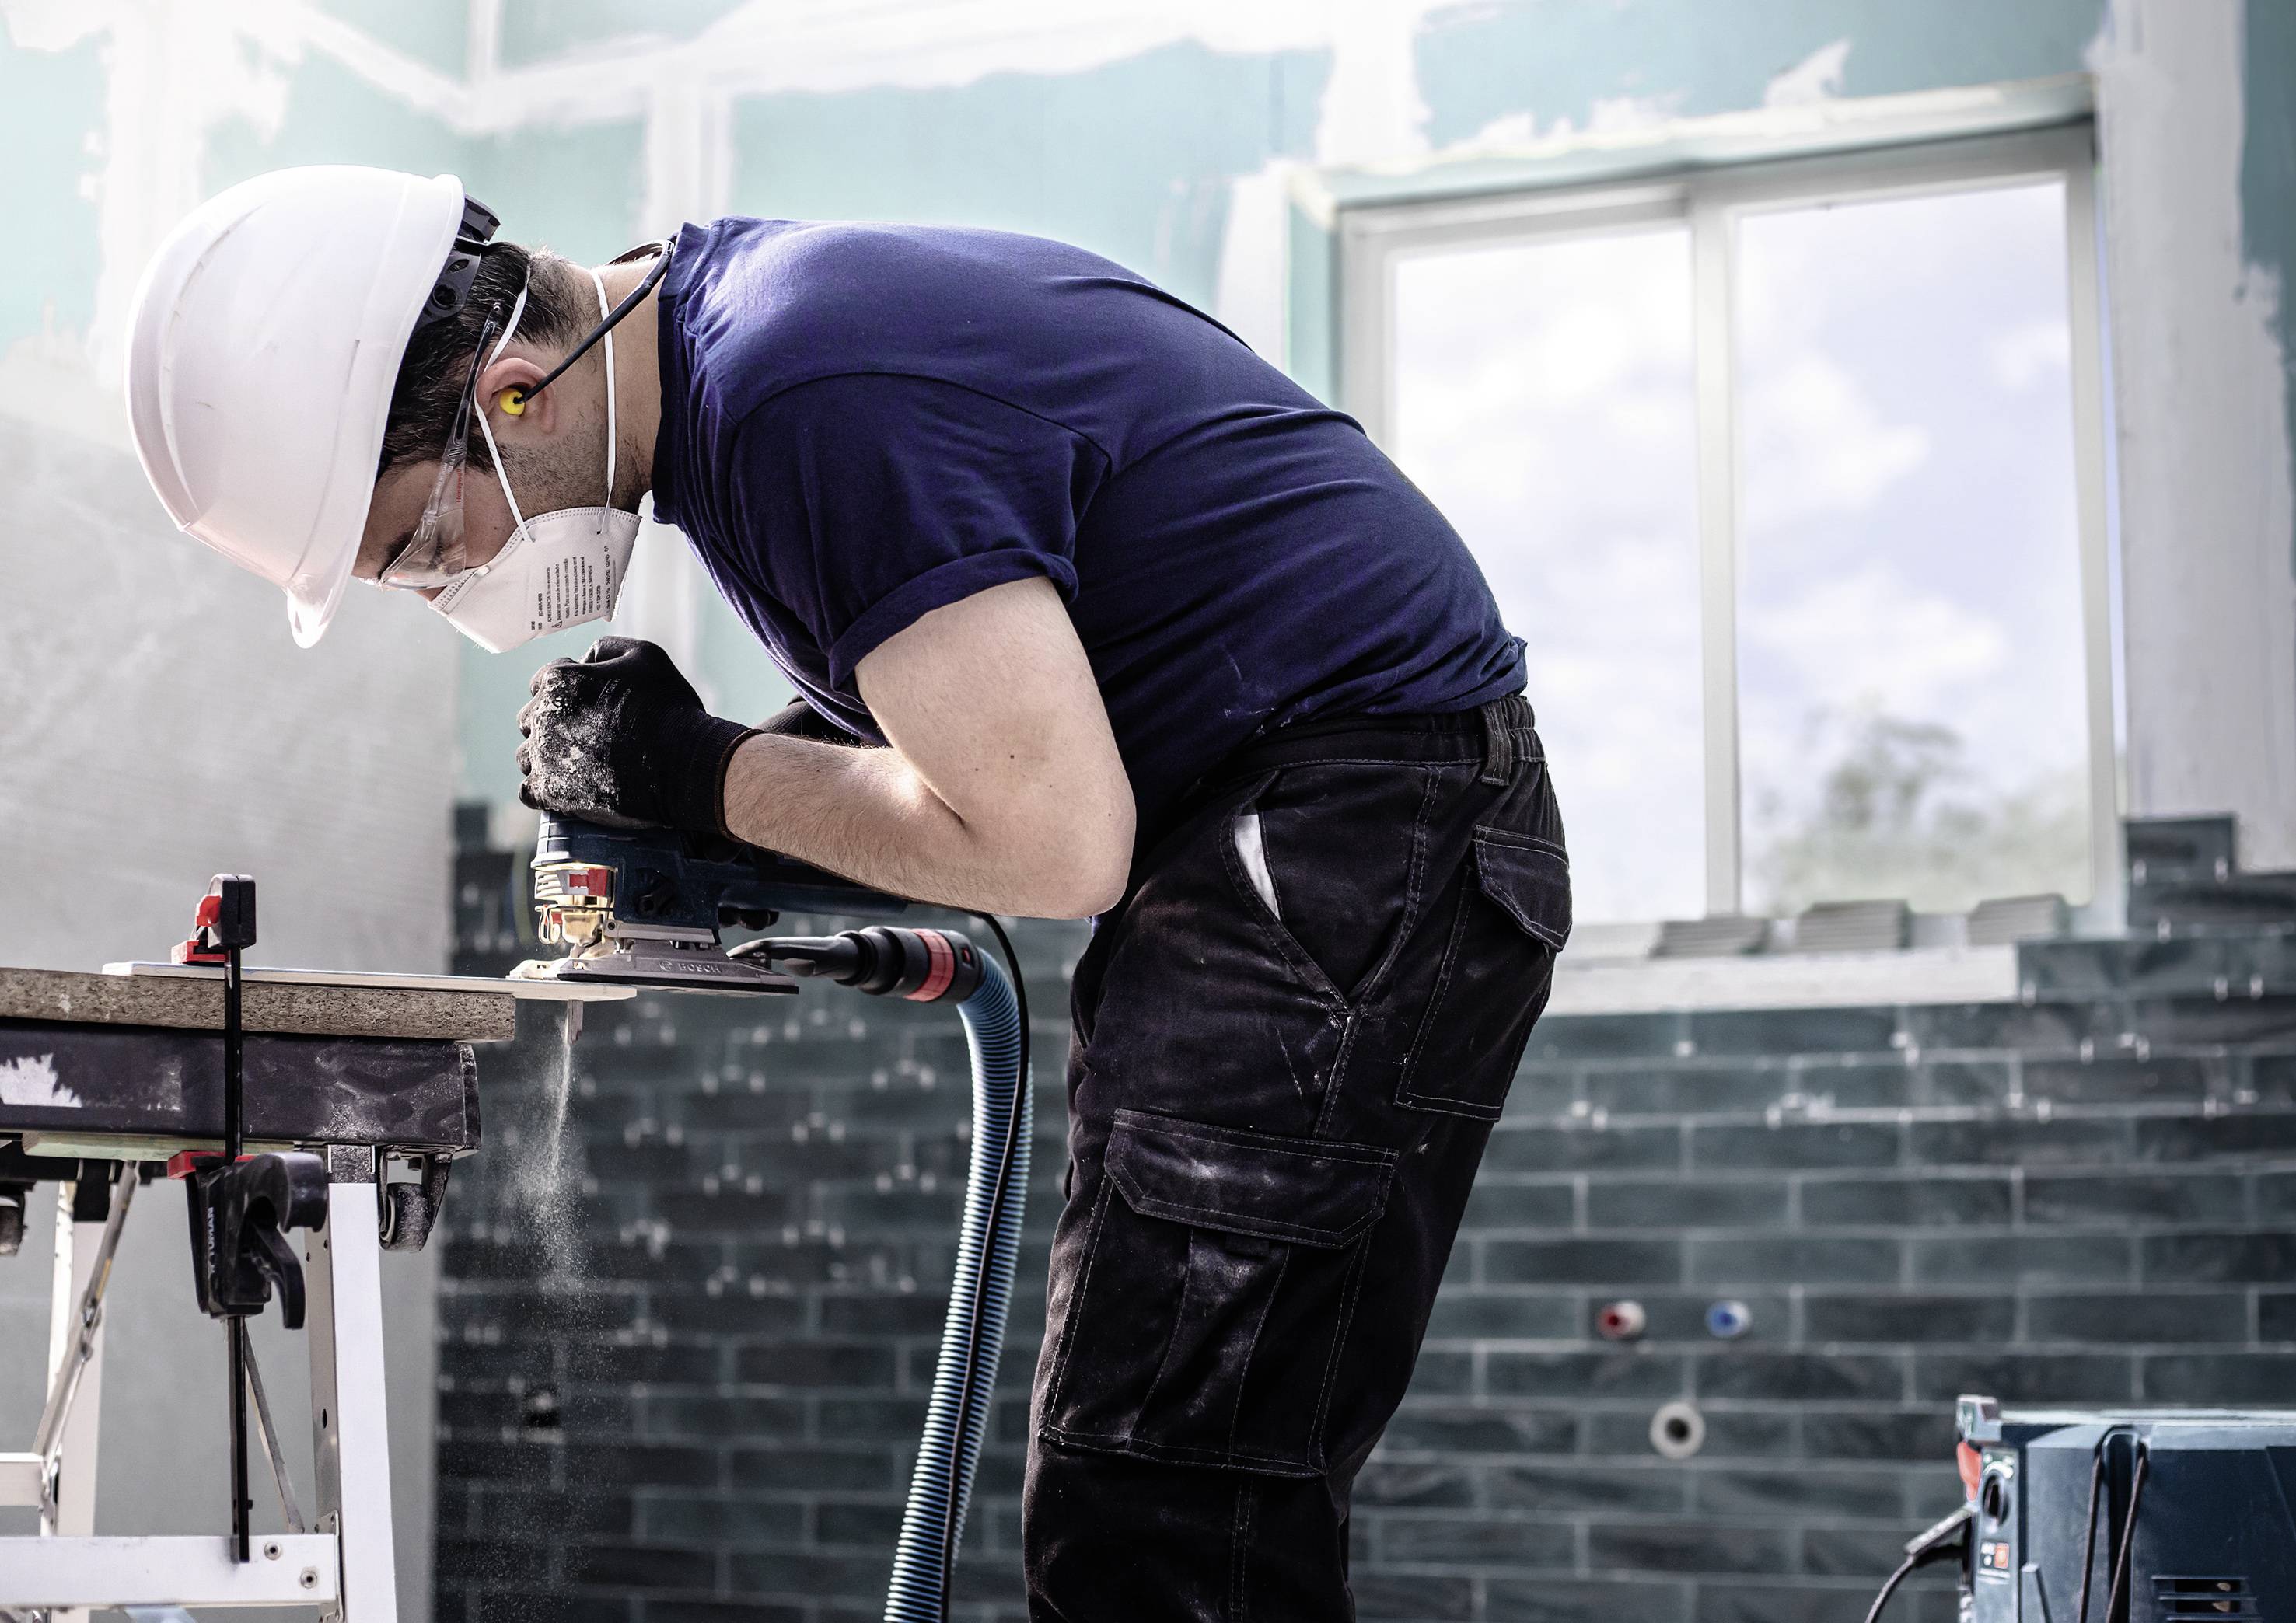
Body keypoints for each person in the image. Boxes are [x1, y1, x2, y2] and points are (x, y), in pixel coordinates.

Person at [127, 165, 1571, 1619]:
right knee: (1162, 1490)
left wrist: (698, 773)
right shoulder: (742, 358)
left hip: (1347, 824)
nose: (458, 586)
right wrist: (721, 788)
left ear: (514, 393)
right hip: (1326, 823)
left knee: (1161, 1506)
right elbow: (992, 726)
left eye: (428, 542)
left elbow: (1056, 841)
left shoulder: (797, 404)